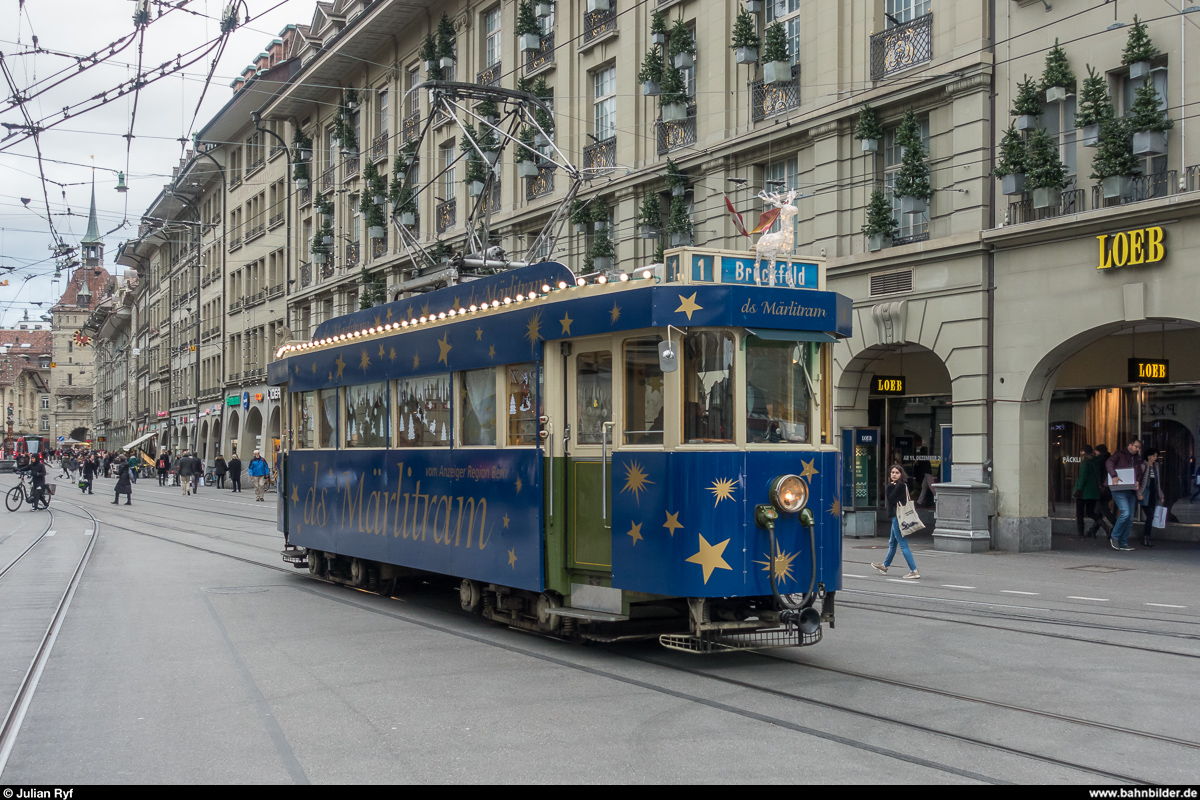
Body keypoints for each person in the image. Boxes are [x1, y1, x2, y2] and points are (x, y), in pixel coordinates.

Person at [871, 464, 920, 580]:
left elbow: (891, 498)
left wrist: (890, 487)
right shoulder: (897, 485)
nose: (894, 474)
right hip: (895, 517)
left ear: (901, 474)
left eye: (897, 473)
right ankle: (884, 565)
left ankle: (914, 570)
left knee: (903, 545)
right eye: (892, 472)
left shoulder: (900, 485)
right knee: (892, 543)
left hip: (898, 518)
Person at [1105, 438, 1144, 552]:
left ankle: (1123, 542)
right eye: (1136, 446)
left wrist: (1138, 481)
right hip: (1119, 489)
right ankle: (1115, 536)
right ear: (1130, 445)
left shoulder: (1137, 458)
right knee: (1126, 513)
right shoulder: (1119, 454)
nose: (1137, 449)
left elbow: (1140, 473)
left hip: (1130, 489)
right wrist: (1114, 475)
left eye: (1139, 447)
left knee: (1130, 517)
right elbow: (1109, 462)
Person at [1073, 444, 1103, 538]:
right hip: (1094, 491)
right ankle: (1106, 527)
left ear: (1084, 452)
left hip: (1083, 492)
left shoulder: (1085, 462)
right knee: (1091, 512)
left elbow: (1083, 477)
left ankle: (1080, 534)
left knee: (1080, 513)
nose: (1080, 453)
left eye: (1082, 451)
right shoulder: (1096, 462)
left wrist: (1078, 489)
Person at [1138, 447, 1165, 549]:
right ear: (1148, 456)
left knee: (1151, 516)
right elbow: (1139, 482)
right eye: (1153, 456)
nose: (1155, 458)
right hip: (1145, 495)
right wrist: (1139, 493)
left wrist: (1161, 495)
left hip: (1153, 495)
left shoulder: (1156, 467)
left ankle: (1147, 537)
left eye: (1156, 456)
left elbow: (1157, 483)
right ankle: (1145, 538)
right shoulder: (1143, 466)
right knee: (1150, 516)